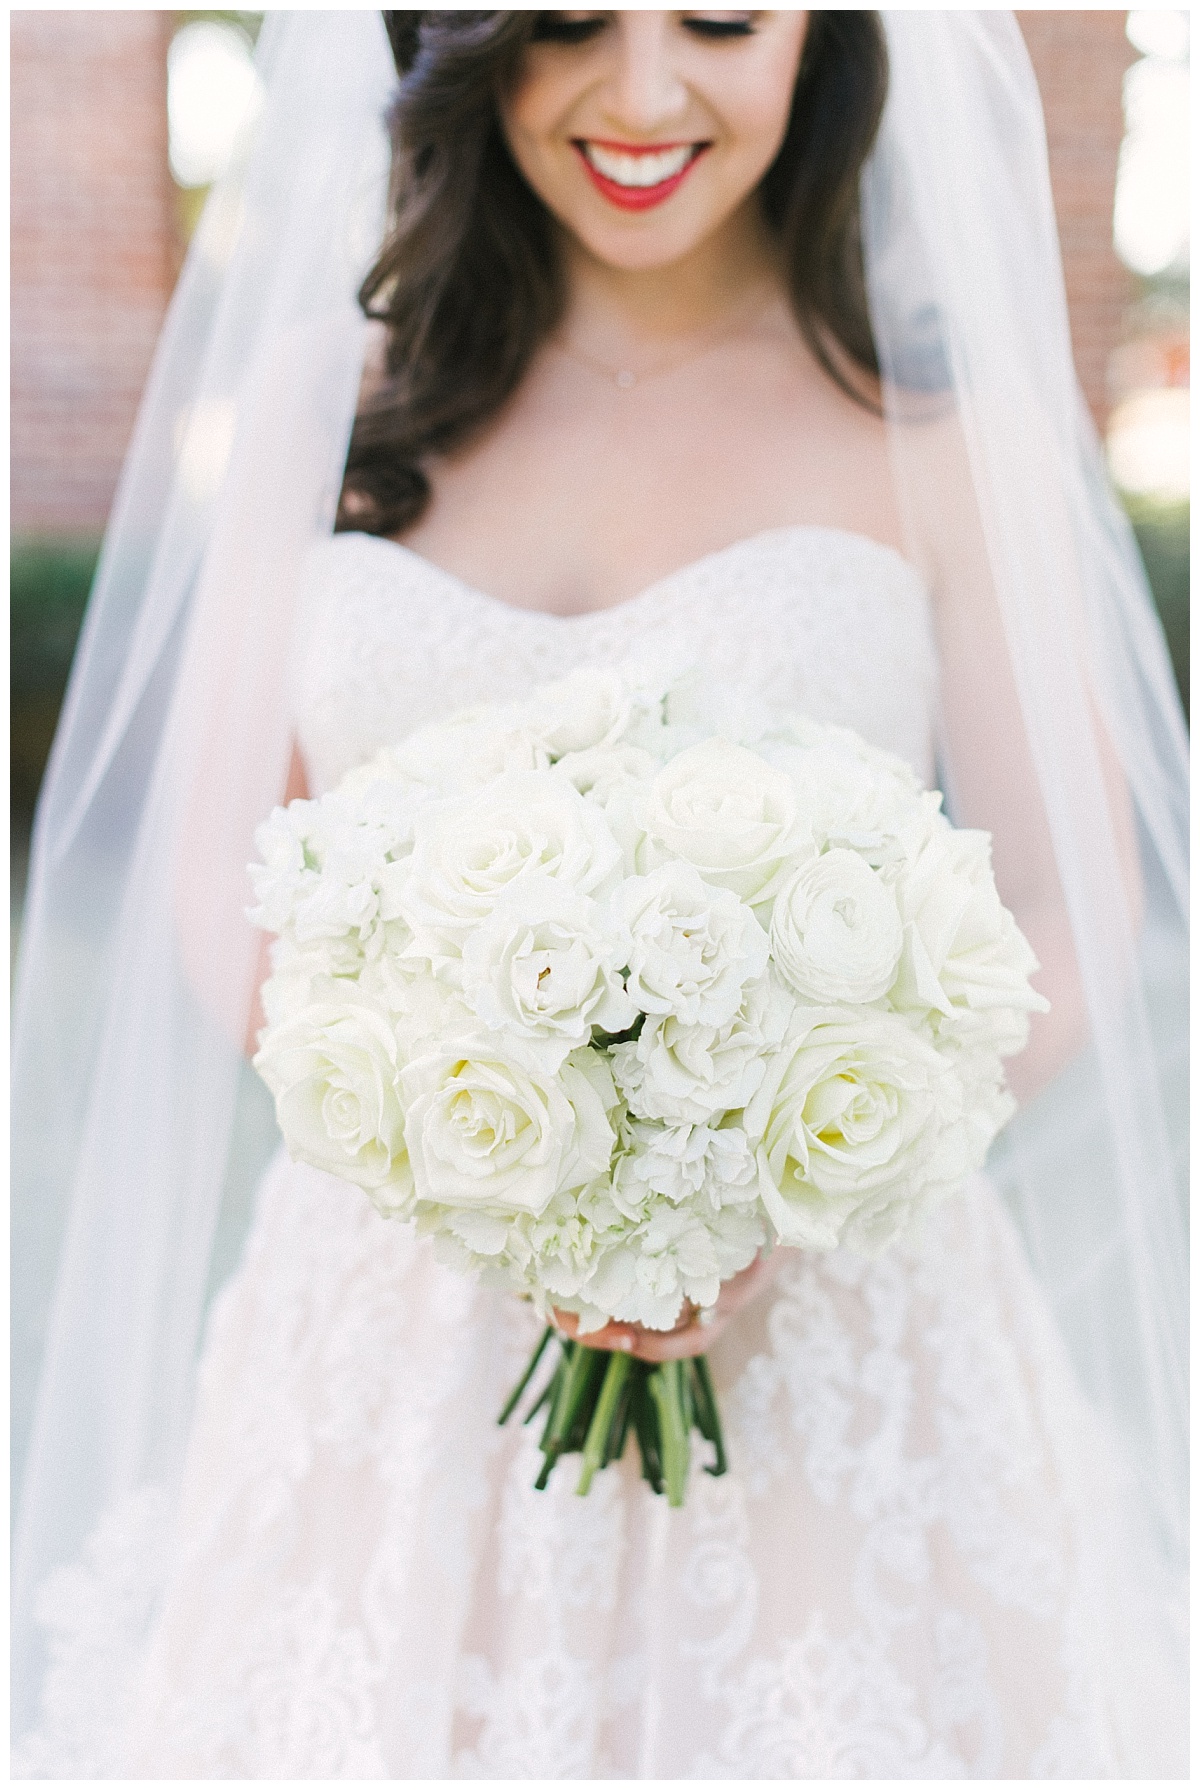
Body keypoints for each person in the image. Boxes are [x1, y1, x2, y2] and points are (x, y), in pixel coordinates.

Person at [12, 11, 1187, 1778]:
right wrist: (489, 1164)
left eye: (722, 15)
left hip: (842, 1352)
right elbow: (214, 874)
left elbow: (1068, 909)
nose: (645, 95)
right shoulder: (334, 416)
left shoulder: (947, 440)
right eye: (568, 17)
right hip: (394, 1349)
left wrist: (759, 1189)